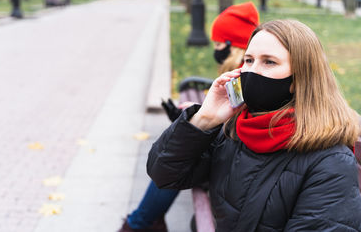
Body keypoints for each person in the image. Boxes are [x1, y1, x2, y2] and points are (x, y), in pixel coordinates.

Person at [147, 19, 361, 231]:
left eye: (269, 62)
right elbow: (163, 173)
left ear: (299, 79)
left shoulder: (331, 162)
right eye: (248, 60)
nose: (252, 71)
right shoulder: (234, 129)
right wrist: (205, 119)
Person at [118, 2, 260, 232]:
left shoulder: (244, 75)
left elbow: (232, 124)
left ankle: (139, 223)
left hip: (229, 162)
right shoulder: (236, 68)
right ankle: (140, 222)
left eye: (218, 43)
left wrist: (194, 120)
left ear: (232, 44)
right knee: (177, 157)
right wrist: (191, 117)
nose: (215, 48)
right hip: (224, 153)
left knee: (181, 159)